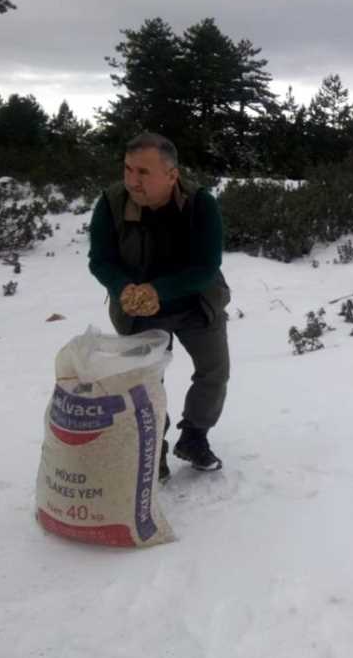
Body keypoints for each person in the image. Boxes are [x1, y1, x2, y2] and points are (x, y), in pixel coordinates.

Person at [88, 132, 230, 480]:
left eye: (143, 172)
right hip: (138, 310)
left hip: (197, 303)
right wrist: (124, 288)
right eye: (128, 169)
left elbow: (206, 266)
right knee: (147, 383)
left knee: (214, 372)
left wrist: (158, 290)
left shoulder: (200, 204)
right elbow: (100, 260)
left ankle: (195, 437)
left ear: (172, 175)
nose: (132, 180)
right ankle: (154, 450)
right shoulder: (110, 203)